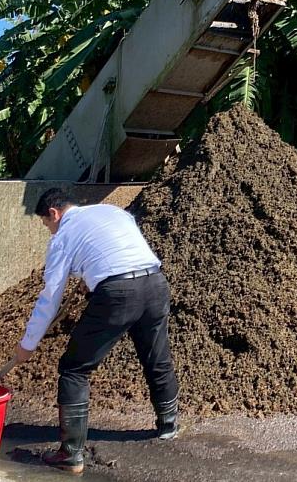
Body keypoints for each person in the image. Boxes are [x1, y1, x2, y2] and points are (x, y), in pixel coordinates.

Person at [13, 188, 179, 474]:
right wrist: (87, 272)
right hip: (155, 283)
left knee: (75, 368)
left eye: (46, 224)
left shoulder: (62, 236)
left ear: (54, 213)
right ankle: (168, 424)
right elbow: (112, 247)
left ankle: (70, 453)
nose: (49, 231)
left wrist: (28, 343)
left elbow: (50, 296)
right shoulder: (112, 211)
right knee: (156, 355)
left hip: (117, 293)